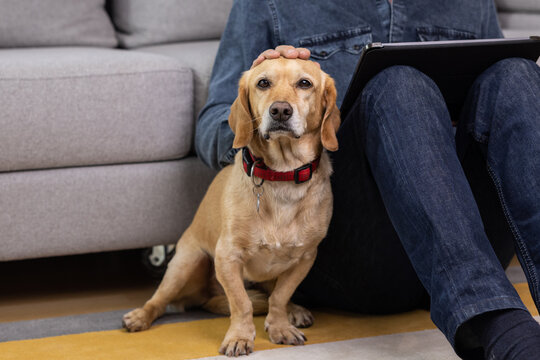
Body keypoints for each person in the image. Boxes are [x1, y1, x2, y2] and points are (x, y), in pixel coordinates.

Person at [195, 1, 540, 358]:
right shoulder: (269, 4)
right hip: (355, 253)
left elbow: (492, 99)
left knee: (516, 73)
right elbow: (210, 129)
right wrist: (260, 109)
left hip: (465, 237)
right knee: (399, 84)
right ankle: (501, 331)